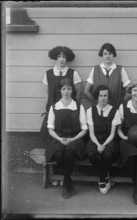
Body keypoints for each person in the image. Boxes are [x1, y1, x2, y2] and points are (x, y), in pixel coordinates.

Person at [41, 46, 82, 186]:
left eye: (64, 57)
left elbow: (79, 94)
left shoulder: (73, 73)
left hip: (70, 114)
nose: (61, 59)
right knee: (55, 147)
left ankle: (63, 177)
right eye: (59, 56)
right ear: (55, 57)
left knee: (68, 148)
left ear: (67, 58)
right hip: (54, 113)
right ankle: (58, 173)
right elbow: (48, 93)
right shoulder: (48, 74)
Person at [45, 77, 87, 199]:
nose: (66, 91)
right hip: (58, 138)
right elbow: (50, 129)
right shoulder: (55, 107)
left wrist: (72, 140)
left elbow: (84, 129)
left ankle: (65, 186)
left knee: (69, 153)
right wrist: (59, 139)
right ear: (60, 91)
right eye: (64, 89)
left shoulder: (78, 107)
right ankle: (69, 181)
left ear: (72, 90)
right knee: (58, 154)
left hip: (75, 138)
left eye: (69, 88)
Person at [85, 85, 121, 194]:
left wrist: (104, 145)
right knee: (91, 154)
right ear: (97, 97)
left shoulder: (115, 111)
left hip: (109, 140)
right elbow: (91, 133)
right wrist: (97, 144)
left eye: (105, 95)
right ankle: (105, 175)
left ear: (108, 97)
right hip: (94, 139)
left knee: (108, 155)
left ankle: (102, 179)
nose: (103, 98)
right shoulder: (90, 111)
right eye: (100, 95)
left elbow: (112, 134)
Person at [84, 43, 131, 110]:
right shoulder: (95, 69)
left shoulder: (120, 70)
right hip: (99, 109)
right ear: (102, 55)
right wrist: (95, 102)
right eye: (105, 54)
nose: (107, 56)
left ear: (113, 55)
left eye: (110, 53)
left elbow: (129, 91)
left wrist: (121, 103)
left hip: (115, 109)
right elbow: (86, 91)